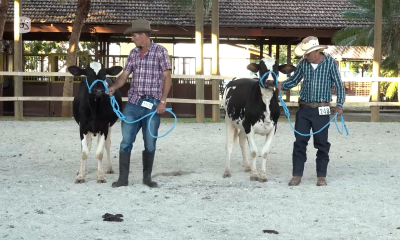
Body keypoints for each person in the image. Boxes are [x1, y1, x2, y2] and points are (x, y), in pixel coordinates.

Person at [108, 19, 172, 188]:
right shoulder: (133, 54)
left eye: (134, 35)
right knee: (126, 141)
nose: (132, 39)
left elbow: (167, 78)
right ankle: (123, 178)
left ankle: (147, 178)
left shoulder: (161, 52)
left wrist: (162, 102)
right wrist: (114, 87)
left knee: (150, 142)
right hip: (134, 103)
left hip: (153, 105)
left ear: (143, 35)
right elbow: (124, 76)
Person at [277, 36, 345, 186]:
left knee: (321, 143)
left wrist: (339, 105)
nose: (305, 56)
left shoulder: (330, 63)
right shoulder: (303, 64)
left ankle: (321, 176)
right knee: (300, 142)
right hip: (304, 108)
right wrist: (281, 85)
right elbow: (294, 81)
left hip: (322, 109)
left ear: (316, 51)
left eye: (307, 53)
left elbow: (339, 86)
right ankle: (297, 175)